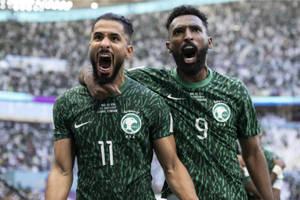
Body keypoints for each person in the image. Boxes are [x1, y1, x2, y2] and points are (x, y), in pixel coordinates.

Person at [79, 5, 274, 200]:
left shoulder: (234, 90)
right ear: (169, 46)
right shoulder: (154, 82)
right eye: (179, 32)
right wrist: (90, 78)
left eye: (195, 30)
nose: (188, 36)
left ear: (209, 41)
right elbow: (99, 72)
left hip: (231, 196)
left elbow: (253, 153)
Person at [46, 13, 198, 200]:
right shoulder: (67, 103)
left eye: (114, 38)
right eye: (98, 37)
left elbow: (172, 167)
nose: (105, 43)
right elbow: (62, 171)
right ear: (90, 46)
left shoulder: (150, 102)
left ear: (128, 51)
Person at [238, 135, 286, 200]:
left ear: (260, 137)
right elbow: (257, 192)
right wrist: (276, 171)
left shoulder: (273, 159)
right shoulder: (240, 158)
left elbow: (274, 197)